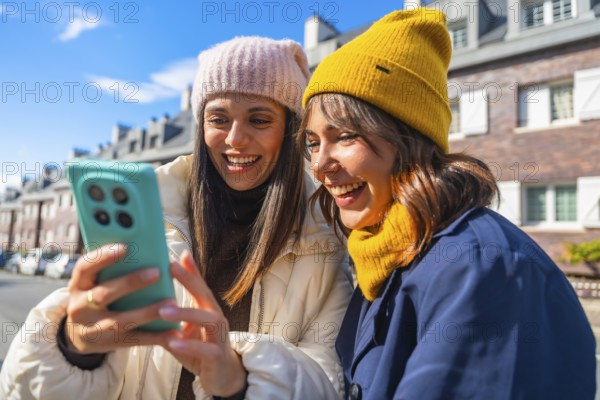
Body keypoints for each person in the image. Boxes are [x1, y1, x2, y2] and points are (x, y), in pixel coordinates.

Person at [1, 36, 353, 399]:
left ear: (290, 129)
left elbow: (327, 382)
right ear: (200, 127)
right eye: (218, 118)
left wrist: (236, 380)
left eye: (259, 119)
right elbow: (24, 386)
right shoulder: (151, 214)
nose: (235, 138)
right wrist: (72, 346)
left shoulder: (323, 245)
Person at [299, 9, 596, 400]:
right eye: (313, 142)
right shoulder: (390, 257)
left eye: (346, 136)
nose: (320, 165)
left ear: (408, 138)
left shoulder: (477, 268)